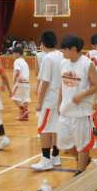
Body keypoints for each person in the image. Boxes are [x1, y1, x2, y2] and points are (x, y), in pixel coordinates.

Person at [57, 35, 97, 176]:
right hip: (65, 110)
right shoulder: (63, 63)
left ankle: (80, 171)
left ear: (74, 49)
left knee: (83, 144)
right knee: (63, 143)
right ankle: (84, 160)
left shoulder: (87, 64)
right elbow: (61, 86)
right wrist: (59, 103)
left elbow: (96, 85)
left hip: (81, 112)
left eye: (64, 49)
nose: (62, 52)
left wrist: (82, 95)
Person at [31, 31, 63, 171]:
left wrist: (39, 101)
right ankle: (55, 156)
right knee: (55, 127)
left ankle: (45, 159)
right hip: (60, 98)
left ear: (42, 43)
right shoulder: (62, 55)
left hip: (49, 99)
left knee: (43, 128)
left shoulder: (48, 58)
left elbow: (45, 82)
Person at [12, 46, 30, 121]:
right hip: (27, 83)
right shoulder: (24, 62)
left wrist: (14, 80)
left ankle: (24, 111)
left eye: (13, 53)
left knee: (13, 97)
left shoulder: (17, 61)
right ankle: (24, 116)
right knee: (25, 99)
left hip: (20, 82)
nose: (12, 55)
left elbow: (17, 71)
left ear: (18, 53)